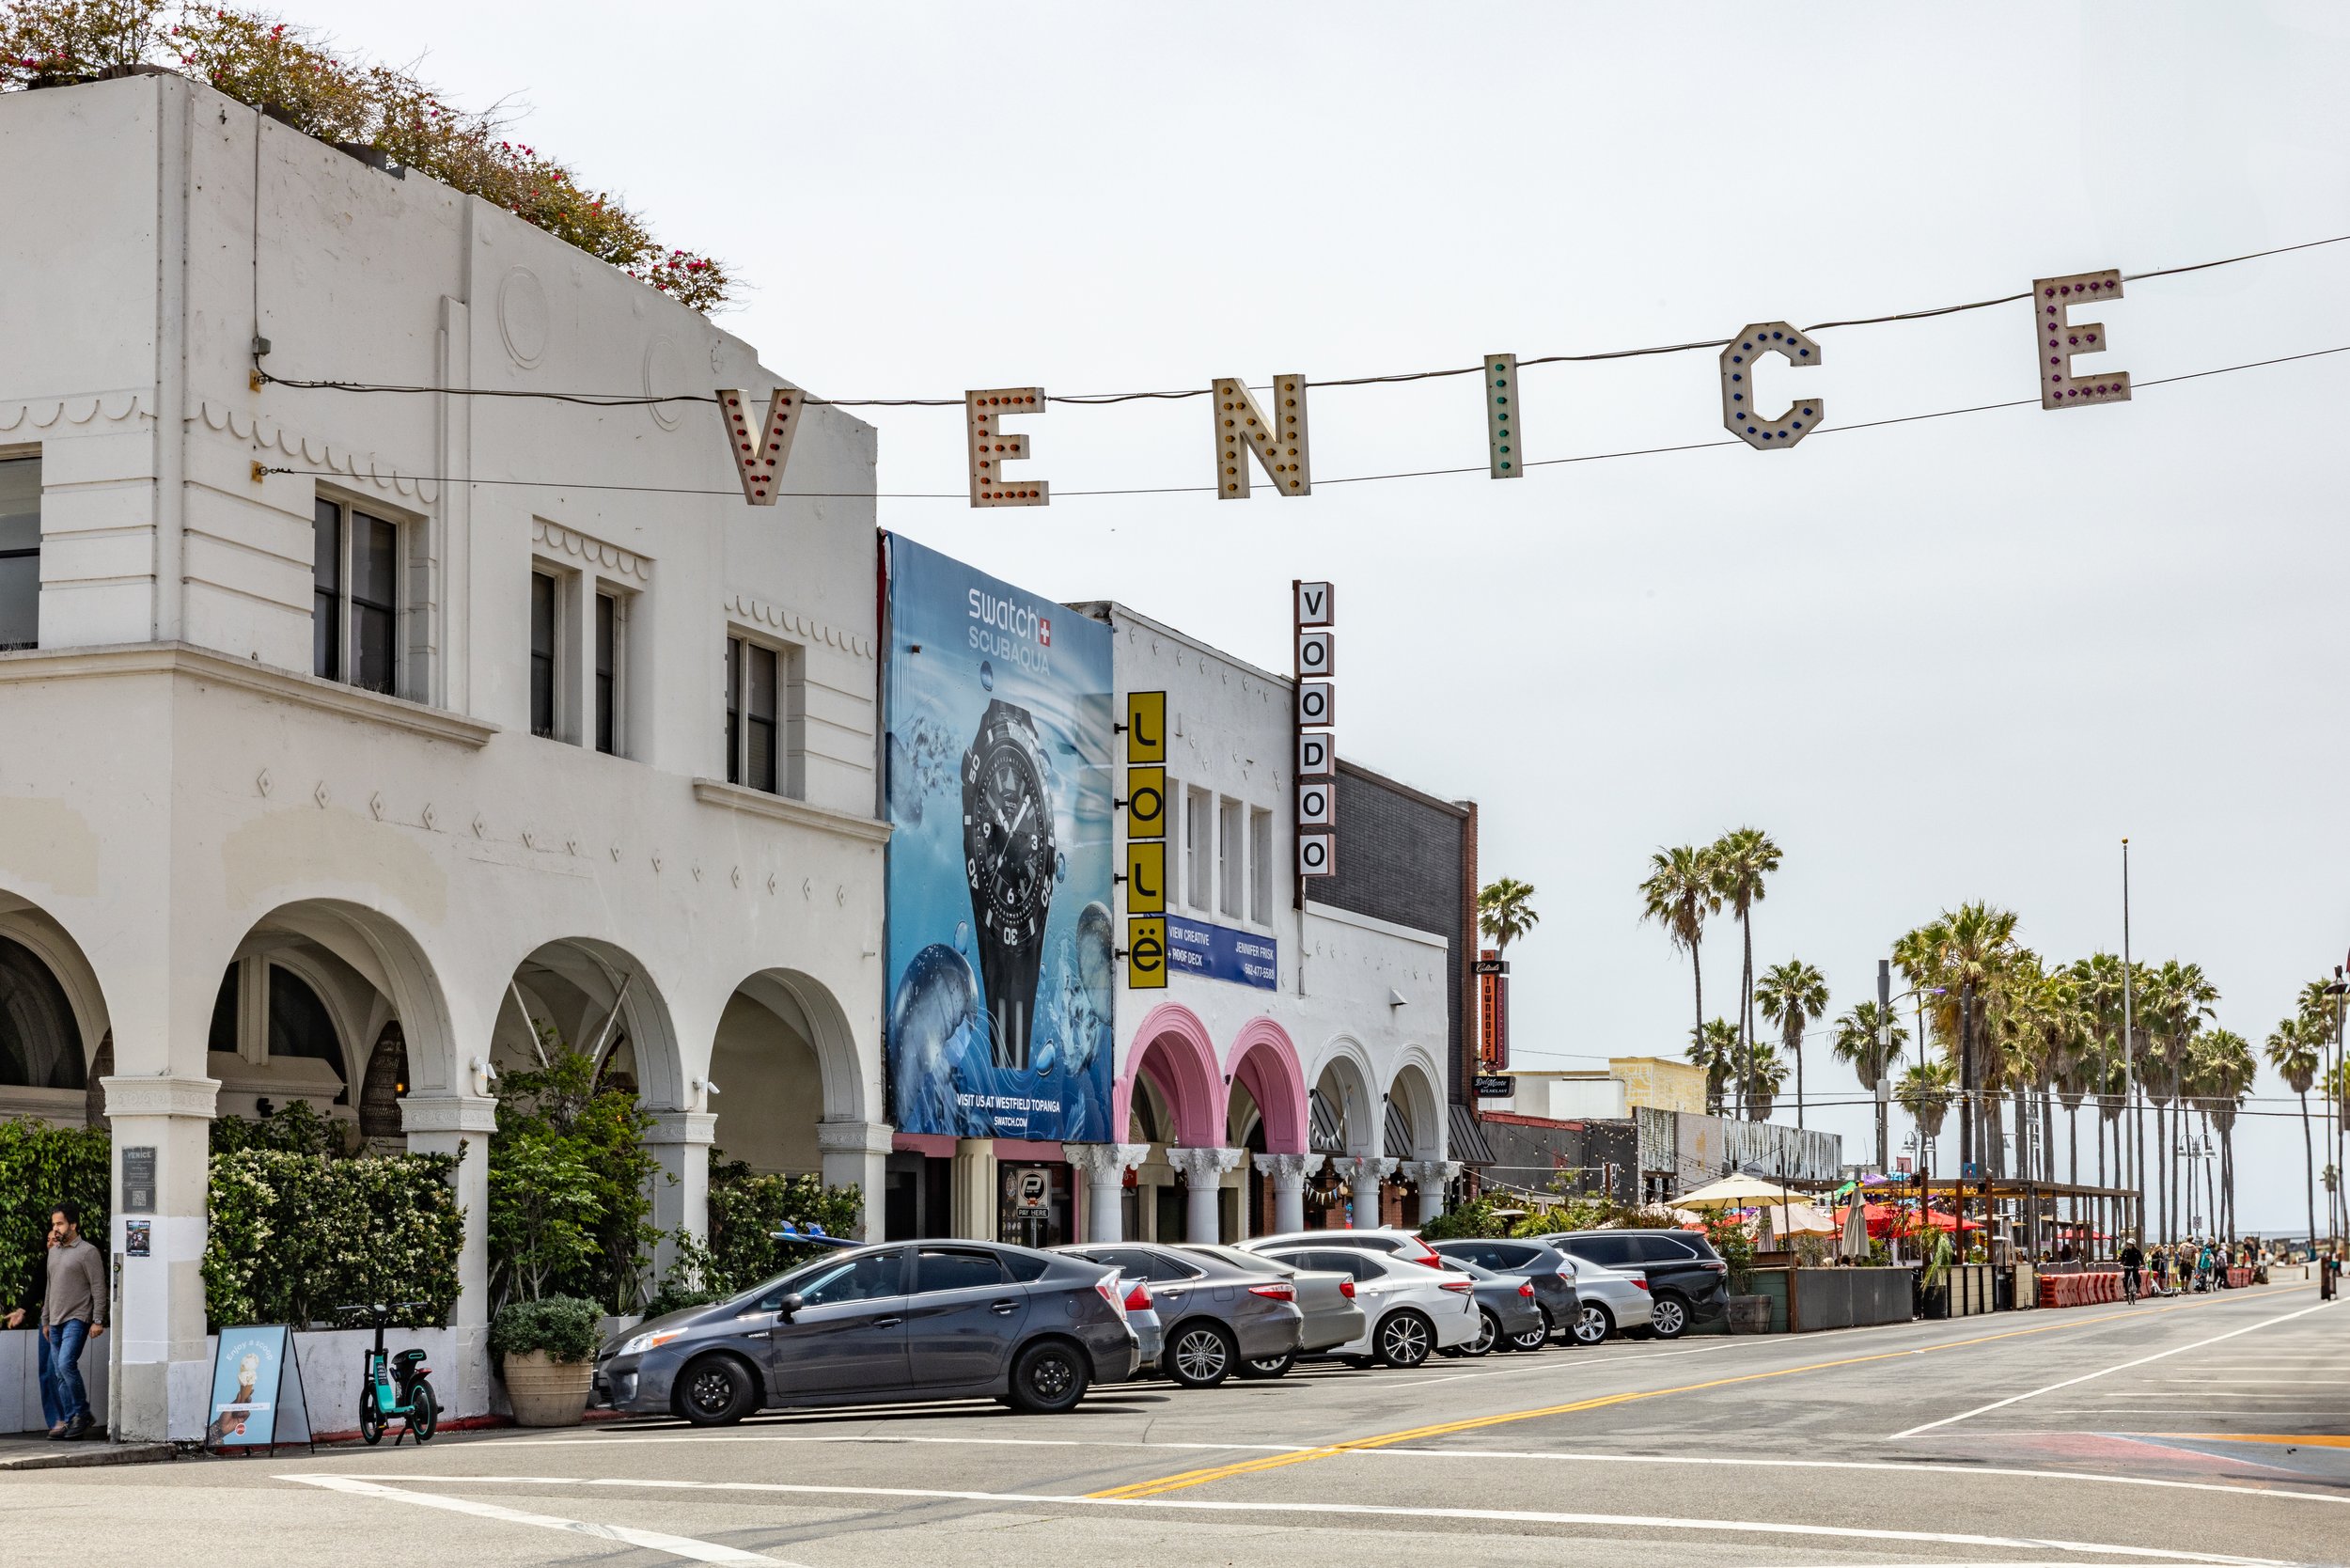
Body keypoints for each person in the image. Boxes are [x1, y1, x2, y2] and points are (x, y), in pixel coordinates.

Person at [37, 1201, 105, 1440]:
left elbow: (98, 1288)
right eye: (53, 1223)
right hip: (54, 1320)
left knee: (65, 1364)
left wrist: (97, 1320)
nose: (55, 1228)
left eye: (60, 1223)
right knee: (58, 1372)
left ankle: (81, 1414)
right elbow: (49, 1288)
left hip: (77, 1318)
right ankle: (72, 1418)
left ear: (73, 1225)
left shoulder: (88, 1252)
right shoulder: (53, 1252)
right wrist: (45, 1320)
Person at [2119, 1236, 2144, 1303]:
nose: (2129, 1245)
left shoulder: (2137, 1251)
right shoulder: (2125, 1251)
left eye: (2130, 1244)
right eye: (2128, 1244)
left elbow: (2141, 1259)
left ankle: (2138, 1287)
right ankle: (2126, 1291)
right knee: (2125, 1279)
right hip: (2127, 1266)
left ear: (2133, 1245)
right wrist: (2122, 1264)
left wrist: (2142, 1264)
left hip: (2135, 1266)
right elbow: (2122, 1259)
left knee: (2136, 1277)